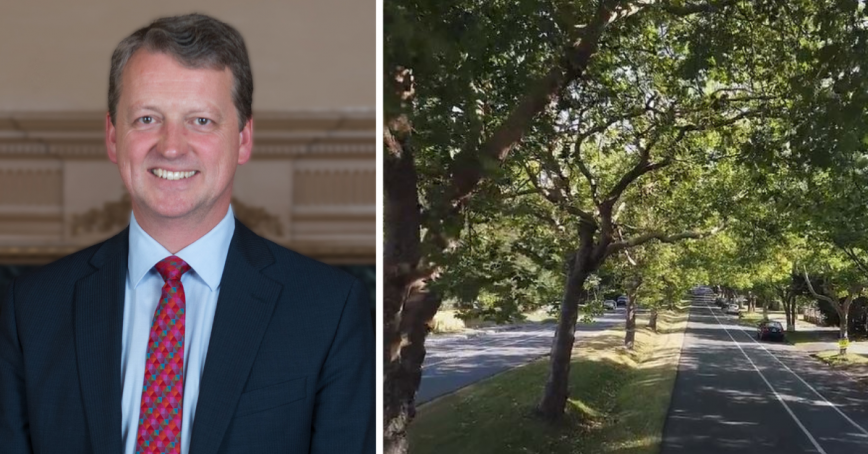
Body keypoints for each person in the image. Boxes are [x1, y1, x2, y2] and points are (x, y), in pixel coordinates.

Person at [0, 14, 374, 454]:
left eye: (200, 121)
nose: (171, 146)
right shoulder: (30, 309)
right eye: (146, 119)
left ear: (244, 138)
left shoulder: (329, 310)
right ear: (112, 136)